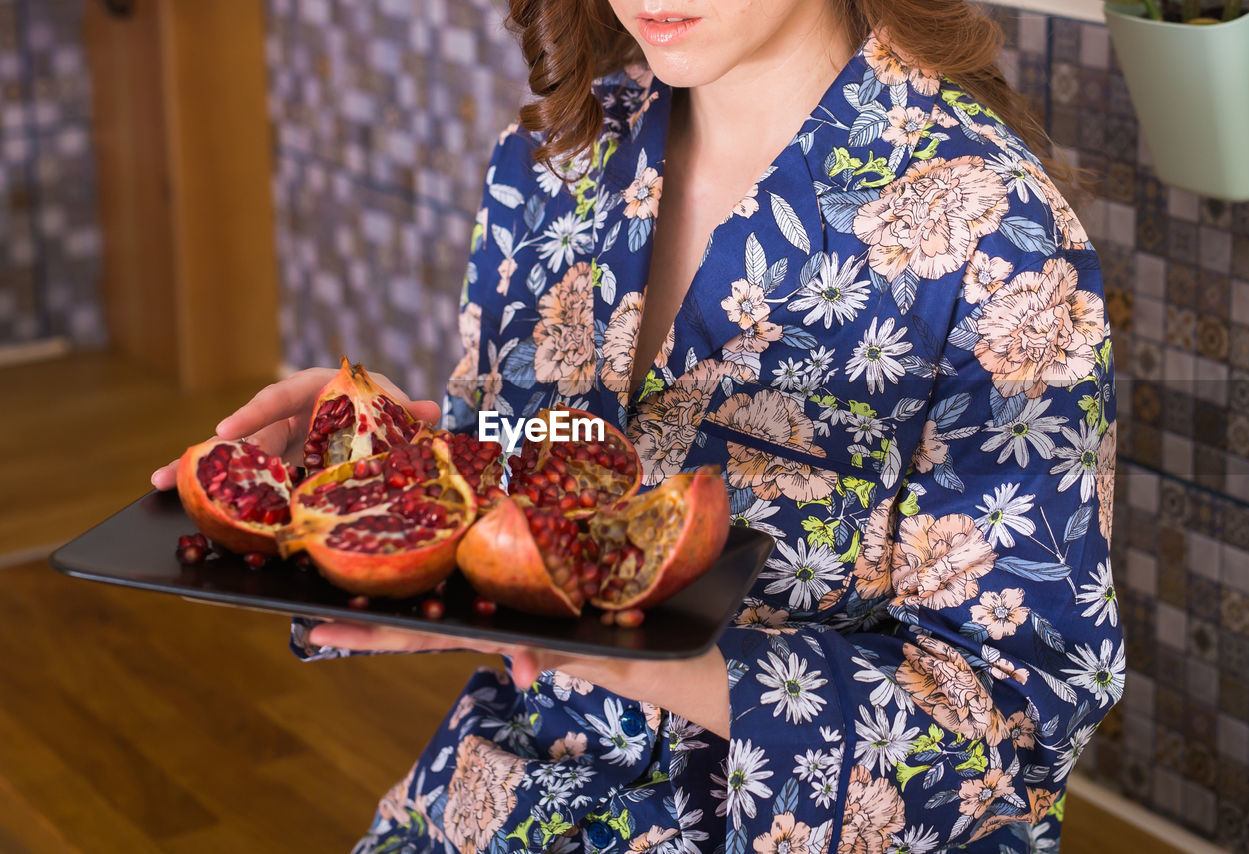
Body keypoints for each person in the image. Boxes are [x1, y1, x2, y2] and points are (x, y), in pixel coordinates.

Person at [153, 0, 1123, 851]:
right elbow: (513, 499)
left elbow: (1015, 721)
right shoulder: (551, 160)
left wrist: (608, 644)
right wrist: (392, 462)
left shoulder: (994, 231)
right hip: (518, 784)